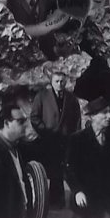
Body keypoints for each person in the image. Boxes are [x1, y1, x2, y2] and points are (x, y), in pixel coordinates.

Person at [63, 97, 110, 218]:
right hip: (85, 198)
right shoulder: (78, 139)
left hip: (106, 200)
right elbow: (69, 168)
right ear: (93, 116)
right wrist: (77, 191)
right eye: (105, 113)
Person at [30, 70, 80, 208]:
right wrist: (44, 131)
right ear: (51, 82)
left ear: (66, 82)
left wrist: (74, 136)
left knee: (63, 169)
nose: (60, 84)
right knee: (50, 169)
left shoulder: (71, 98)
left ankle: (59, 200)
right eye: (57, 81)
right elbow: (34, 117)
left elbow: (77, 118)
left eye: (62, 81)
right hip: (48, 139)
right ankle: (48, 200)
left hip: (65, 140)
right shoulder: (42, 96)